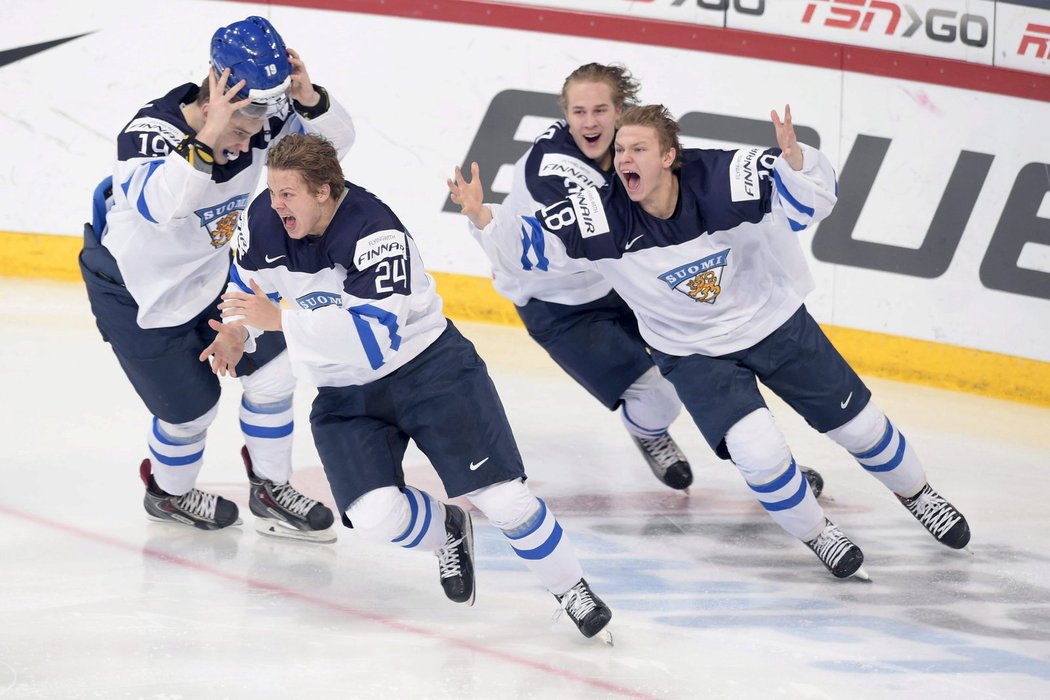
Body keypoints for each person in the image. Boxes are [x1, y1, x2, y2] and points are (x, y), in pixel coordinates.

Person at [479, 103, 971, 580]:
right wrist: (485, 220)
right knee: (758, 452)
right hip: (691, 354)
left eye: (638, 149)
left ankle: (919, 495)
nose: (624, 159)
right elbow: (533, 250)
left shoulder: (723, 177)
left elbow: (806, 204)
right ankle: (820, 535)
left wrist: (799, 165)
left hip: (772, 323)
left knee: (861, 429)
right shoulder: (599, 213)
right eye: (620, 151)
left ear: (669, 157)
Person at [206, 133, 614, 642]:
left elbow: (373, 343)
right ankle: (446, 528)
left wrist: (282, 323)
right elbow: (248, 288)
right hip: (345, 394)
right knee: (375, 519)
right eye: (272, 191)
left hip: (429, 371)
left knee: (505, 500)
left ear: (325, 191)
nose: (275, 204)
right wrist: (236, 332)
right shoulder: (264, 222)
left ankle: (571, 588)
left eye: (288, 194)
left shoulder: (376, 232)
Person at [79, 16, 356, 542]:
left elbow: (331, 154)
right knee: (192, 414)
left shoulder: (260, 123)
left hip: (214, 275)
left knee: (276, 375)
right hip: (137, 293)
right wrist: (208, 135)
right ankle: (167, 493)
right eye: (238, 127)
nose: (247, 141)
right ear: (213, 94)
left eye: (255, 127)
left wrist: (309, 97)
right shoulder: (149, 132)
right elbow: (160, 205)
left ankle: (271, 488)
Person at [446, 64, 696, 491]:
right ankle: (649, 431)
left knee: (706, 363)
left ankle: (758, 459)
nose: (589, 121)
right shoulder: (551, 165)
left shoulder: (634, 144)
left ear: (620, 109)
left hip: (614, 282)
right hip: (556, 304)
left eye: (600, 109)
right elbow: (585, 236)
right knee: (658, 398)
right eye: (578, 111)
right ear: (565, 113)